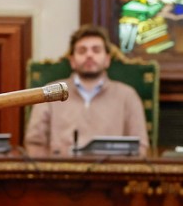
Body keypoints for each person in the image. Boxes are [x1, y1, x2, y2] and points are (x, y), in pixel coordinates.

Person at [23, 25, 149, 156]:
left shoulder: (127, 95)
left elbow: (140, 146)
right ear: (72, 60)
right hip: (61, 172)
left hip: (111, 173)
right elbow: (34, 143)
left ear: (107, 59)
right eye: (82, 51)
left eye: (96, 50)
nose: (89, 55)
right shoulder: (51, 93)